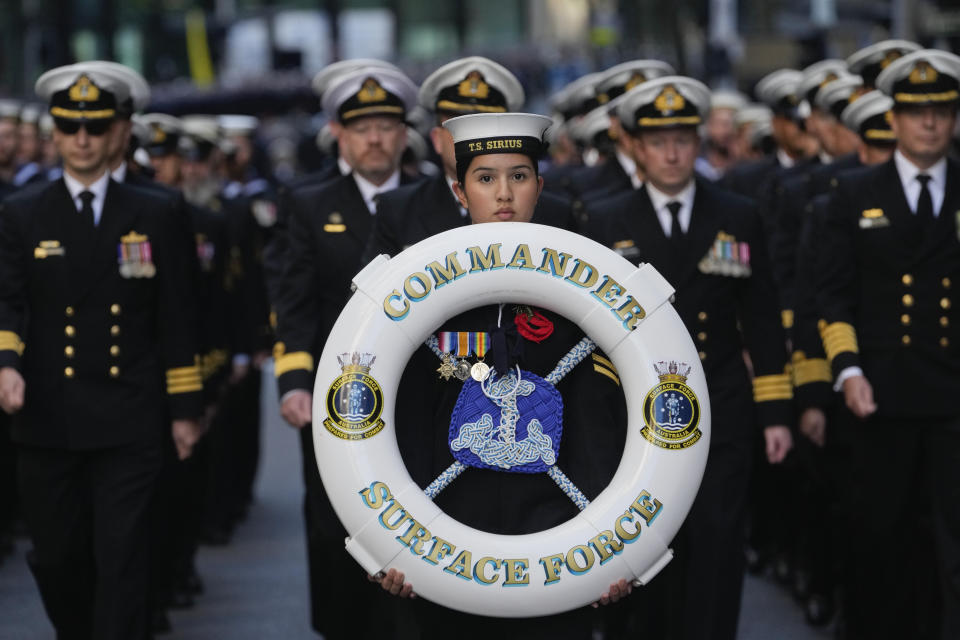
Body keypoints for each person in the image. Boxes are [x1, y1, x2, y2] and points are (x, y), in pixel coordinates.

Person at [375, 111, 630, 639]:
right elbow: (403, 421)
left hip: (556, 521)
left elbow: (598, 421)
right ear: (460, 191)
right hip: (448, 522)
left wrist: (614, 544)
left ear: (540, 186)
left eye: (518, 176)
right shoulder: (421, 298)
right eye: (486, 178)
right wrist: (392, 540)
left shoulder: (586, 296)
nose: (504, 194)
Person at [583, 75, 794, 639]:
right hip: (637, 415)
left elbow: (763, 316)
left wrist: (773, 411)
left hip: (720, 406)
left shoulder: (737, 213)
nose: (672, 151)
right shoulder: (605, 220)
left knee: (718, 545)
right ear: (634, 146)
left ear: (698, 141)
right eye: (658, 140)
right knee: (649, 550)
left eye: (683, 137)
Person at [0, 64, 203, 639]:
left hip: (129, 414)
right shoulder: (22, 212)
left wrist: (185, 409)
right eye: (70, 129)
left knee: (125, 559)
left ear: (119, 132)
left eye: (95, 128)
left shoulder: (157, 211)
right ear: (56, 135)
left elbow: (178, 315)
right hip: (47, 416)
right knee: (59, 559)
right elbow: (7, 300)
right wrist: (6, 364)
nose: (82, 139)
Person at [273, 65, 421, 639]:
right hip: (338, 397)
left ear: (405, 132)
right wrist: (293, 380)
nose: (376, 139)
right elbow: (295, 299)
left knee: (409, 519)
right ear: (338, 132)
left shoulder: (430, 199)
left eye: (387, 125)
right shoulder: (310, 203)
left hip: (415, 389)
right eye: (363, 128)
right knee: (333, 524)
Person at [816, 48, 960, 640]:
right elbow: (832, 296)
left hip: (953, 395)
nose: (929, 123)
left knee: (953, 550)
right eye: (917, 111)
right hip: (879, 394)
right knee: (882, 545)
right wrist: (847, 370)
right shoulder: (852, 195)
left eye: (942, 111)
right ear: (894, 118)